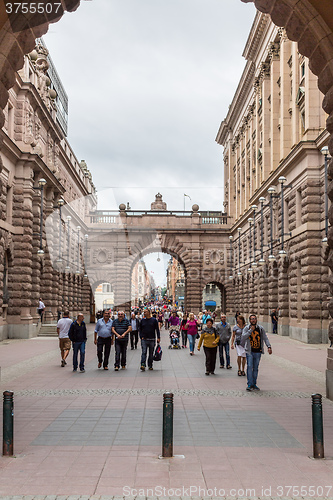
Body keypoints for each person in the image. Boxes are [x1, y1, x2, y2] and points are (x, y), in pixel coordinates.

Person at [241, 314, 272, 391]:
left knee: (255, 368)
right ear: (249, 320)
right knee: (249, 367)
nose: (253, 320)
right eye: (252, 319)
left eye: (254, 319)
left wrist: (269, 346)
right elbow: (243, 337)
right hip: (250, 351)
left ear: (256, 320)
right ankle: (249, 384)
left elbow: (265, 338)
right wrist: (250, 330)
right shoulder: (246, 328)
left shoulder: (260, 329)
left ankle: (254, 384)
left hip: (258, 351)